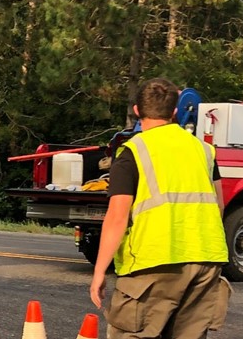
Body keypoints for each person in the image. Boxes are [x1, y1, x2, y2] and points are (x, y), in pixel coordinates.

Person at [88, 77, 231, 339]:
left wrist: (99, 272)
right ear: (175, 111)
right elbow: (218, 206)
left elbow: (117, 218)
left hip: (153, 262)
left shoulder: (133, 152)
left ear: (136, 111)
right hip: (205, 260)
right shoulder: (203, 150)